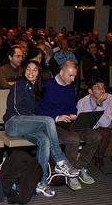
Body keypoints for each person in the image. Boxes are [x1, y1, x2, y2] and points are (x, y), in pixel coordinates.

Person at [3, 60, 80, 197]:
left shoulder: (36, 89)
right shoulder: (19, 84)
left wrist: (34, 120)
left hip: (26, 125)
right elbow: (14, 108)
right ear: (24, 70)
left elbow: (37, 111)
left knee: (45, 140)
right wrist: (34, 120)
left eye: (34, 70)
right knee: (48, 120)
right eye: (28, 69)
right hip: (13, 123)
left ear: (39, 74)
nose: (30, 72)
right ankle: (60, 160)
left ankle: (41, 182)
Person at [37, 61, 101, 191]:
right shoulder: (46, 85)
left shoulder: (70, 87)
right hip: (51, 122)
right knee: (73, 139)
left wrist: (73, 114)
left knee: (95, 136)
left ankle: (78, 167)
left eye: (74, 76)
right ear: (61, 72)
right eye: (70, 75)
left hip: (67, 121)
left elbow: (72, 107)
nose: (73, 79)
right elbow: (38, 110)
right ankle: (71, 175)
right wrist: (56, 117)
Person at [77, 78, 112, 167]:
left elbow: (106, 123)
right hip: (87, 128)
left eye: (103, 88)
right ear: (90, 91)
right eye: (98, 88)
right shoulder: (82, 102)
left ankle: (99, 157)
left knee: (105, 132)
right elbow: (81, 124)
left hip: (101, 127)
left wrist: (100, 105)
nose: (102, 91)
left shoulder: (111, 100)